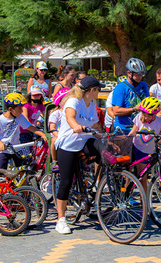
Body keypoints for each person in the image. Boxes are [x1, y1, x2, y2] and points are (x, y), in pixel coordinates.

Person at [54, 76, 104, 234]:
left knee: (104, 150)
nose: (99, 92)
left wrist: (105, 137)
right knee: (66, 182)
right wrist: (76, 126)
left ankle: (97, 183)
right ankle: (60, 219)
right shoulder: (74, 101)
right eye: (98, 89)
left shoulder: (92, 104)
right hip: (68, 145)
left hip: (84, 142)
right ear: (91, 90)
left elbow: (95, 125)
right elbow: (70, 117)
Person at [0, 93, 42, 177]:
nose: (22, 111)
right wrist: (0, 143)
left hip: (16, 149)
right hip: (4, 150)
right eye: (20, 108)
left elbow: (30, 127)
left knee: (23, 173)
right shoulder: (0, 120)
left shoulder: (20, 117)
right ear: (10, 109)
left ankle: (25, 190)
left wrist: (42, 135)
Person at [127, 97, 161, 191]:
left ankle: (144, 202)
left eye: (149, 115)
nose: (145, 117)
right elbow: (134, 130)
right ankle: (125, 194)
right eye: (144, 114)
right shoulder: (139, 117)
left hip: (145, 152)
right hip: (135, 147)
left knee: (142, 177)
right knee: (127, 173)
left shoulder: (160, 122)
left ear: (154, 114)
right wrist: (128, 138)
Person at [112, 58, 149, 132]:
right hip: (124, 128)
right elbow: (116, 111)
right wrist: (135, 109)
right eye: (137, 74)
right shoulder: (121, 87)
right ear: (129, 73)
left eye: (141, 75)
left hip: (140, 127)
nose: (139, 77)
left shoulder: (143, 85)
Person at [18, 85, 48, 156]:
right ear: (30, 95)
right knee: (27, 153)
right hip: (24, 131)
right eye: (34, 95)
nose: (36, 96)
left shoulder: (41, 106)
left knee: (40, 148)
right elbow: (25, 119)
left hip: (34, 130)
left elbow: (46, 117)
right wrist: (33, 125)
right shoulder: (26, 106)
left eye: (38, 95)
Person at [49, 88, 70, 164]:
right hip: (58, 134)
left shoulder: (72, 112)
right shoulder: (56, 113)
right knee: (54, 140)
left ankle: (82, 161)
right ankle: (54, 160)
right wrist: (58, 135)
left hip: (69, 133)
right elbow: (52, 128)